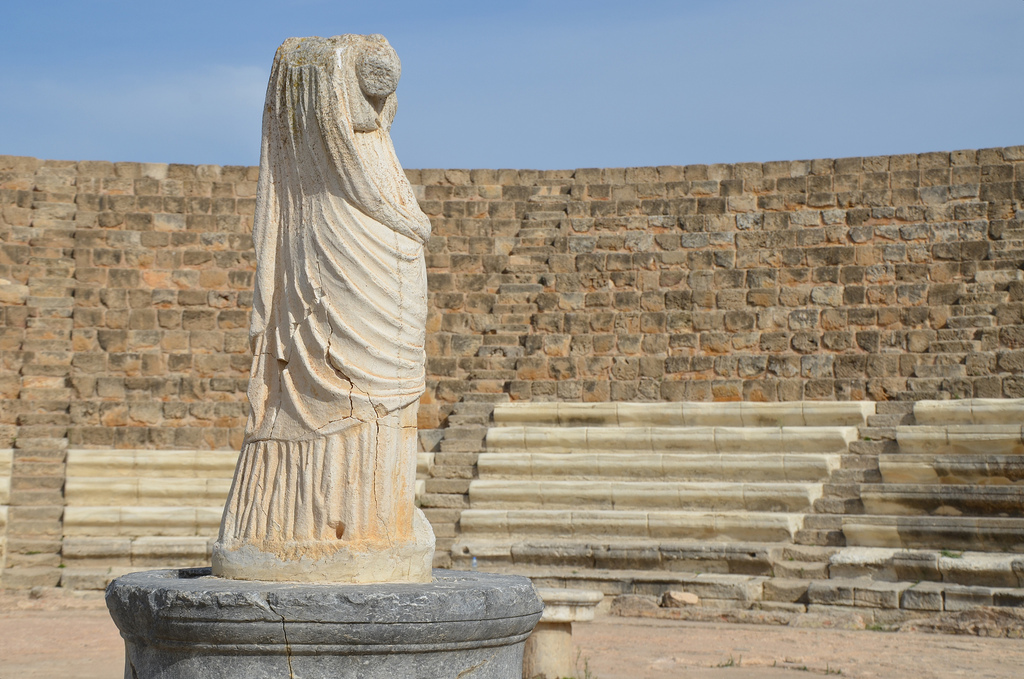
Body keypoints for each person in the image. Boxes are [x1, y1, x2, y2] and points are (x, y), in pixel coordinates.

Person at [212, 34, 435, 583]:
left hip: (384, 265)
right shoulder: (314, 166)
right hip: (338, 250)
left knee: (387, 399)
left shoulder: (378, 154)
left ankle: (379, 517)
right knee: (321, 389)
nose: (379, 99)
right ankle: (303, 519)